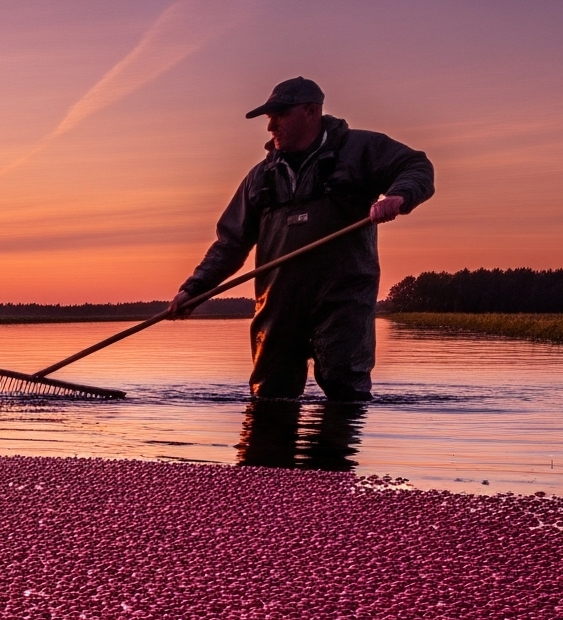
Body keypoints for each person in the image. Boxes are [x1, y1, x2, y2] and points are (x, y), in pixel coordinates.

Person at [176, 77, 432, 402]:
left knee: (346, 393)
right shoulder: (259, 176)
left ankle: (335, 452)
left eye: (280, 113)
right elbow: (230, 243)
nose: (270, 125)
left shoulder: (361, 149)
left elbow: (416, 166)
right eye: (269, 117)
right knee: (270, 396)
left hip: (344, 300)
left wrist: (400, 195)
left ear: (311, 111)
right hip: (278, 306)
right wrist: (194, 289)